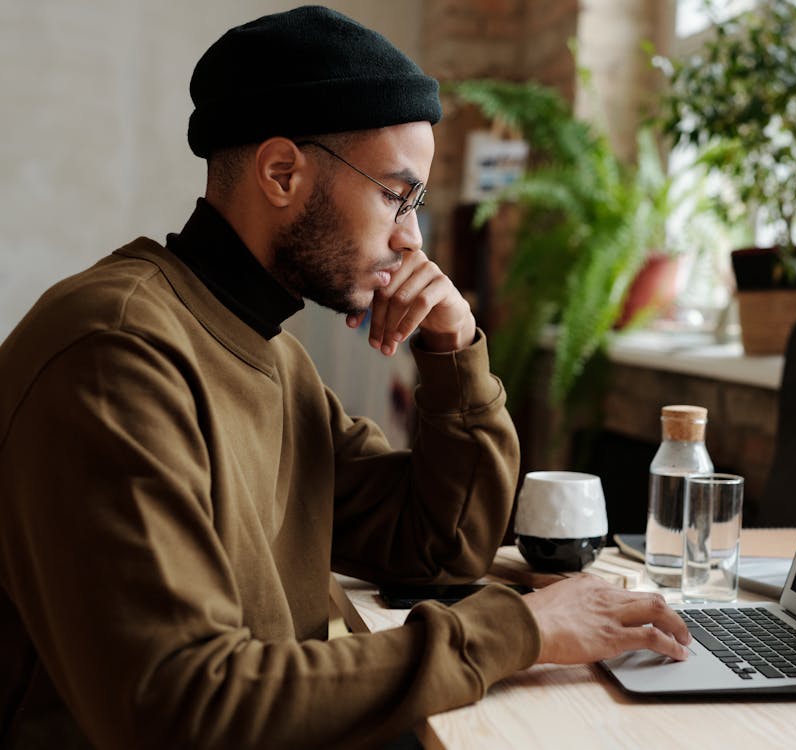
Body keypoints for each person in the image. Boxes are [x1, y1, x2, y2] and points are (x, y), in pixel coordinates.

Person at [0, 6, 689, 748]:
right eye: (397, 195)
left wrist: (454, 352)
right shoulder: (117, 353)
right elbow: (182, 708)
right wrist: (516, 630)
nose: (412, 238)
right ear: (281, 172)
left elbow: (435, 545)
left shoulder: (271, 355)